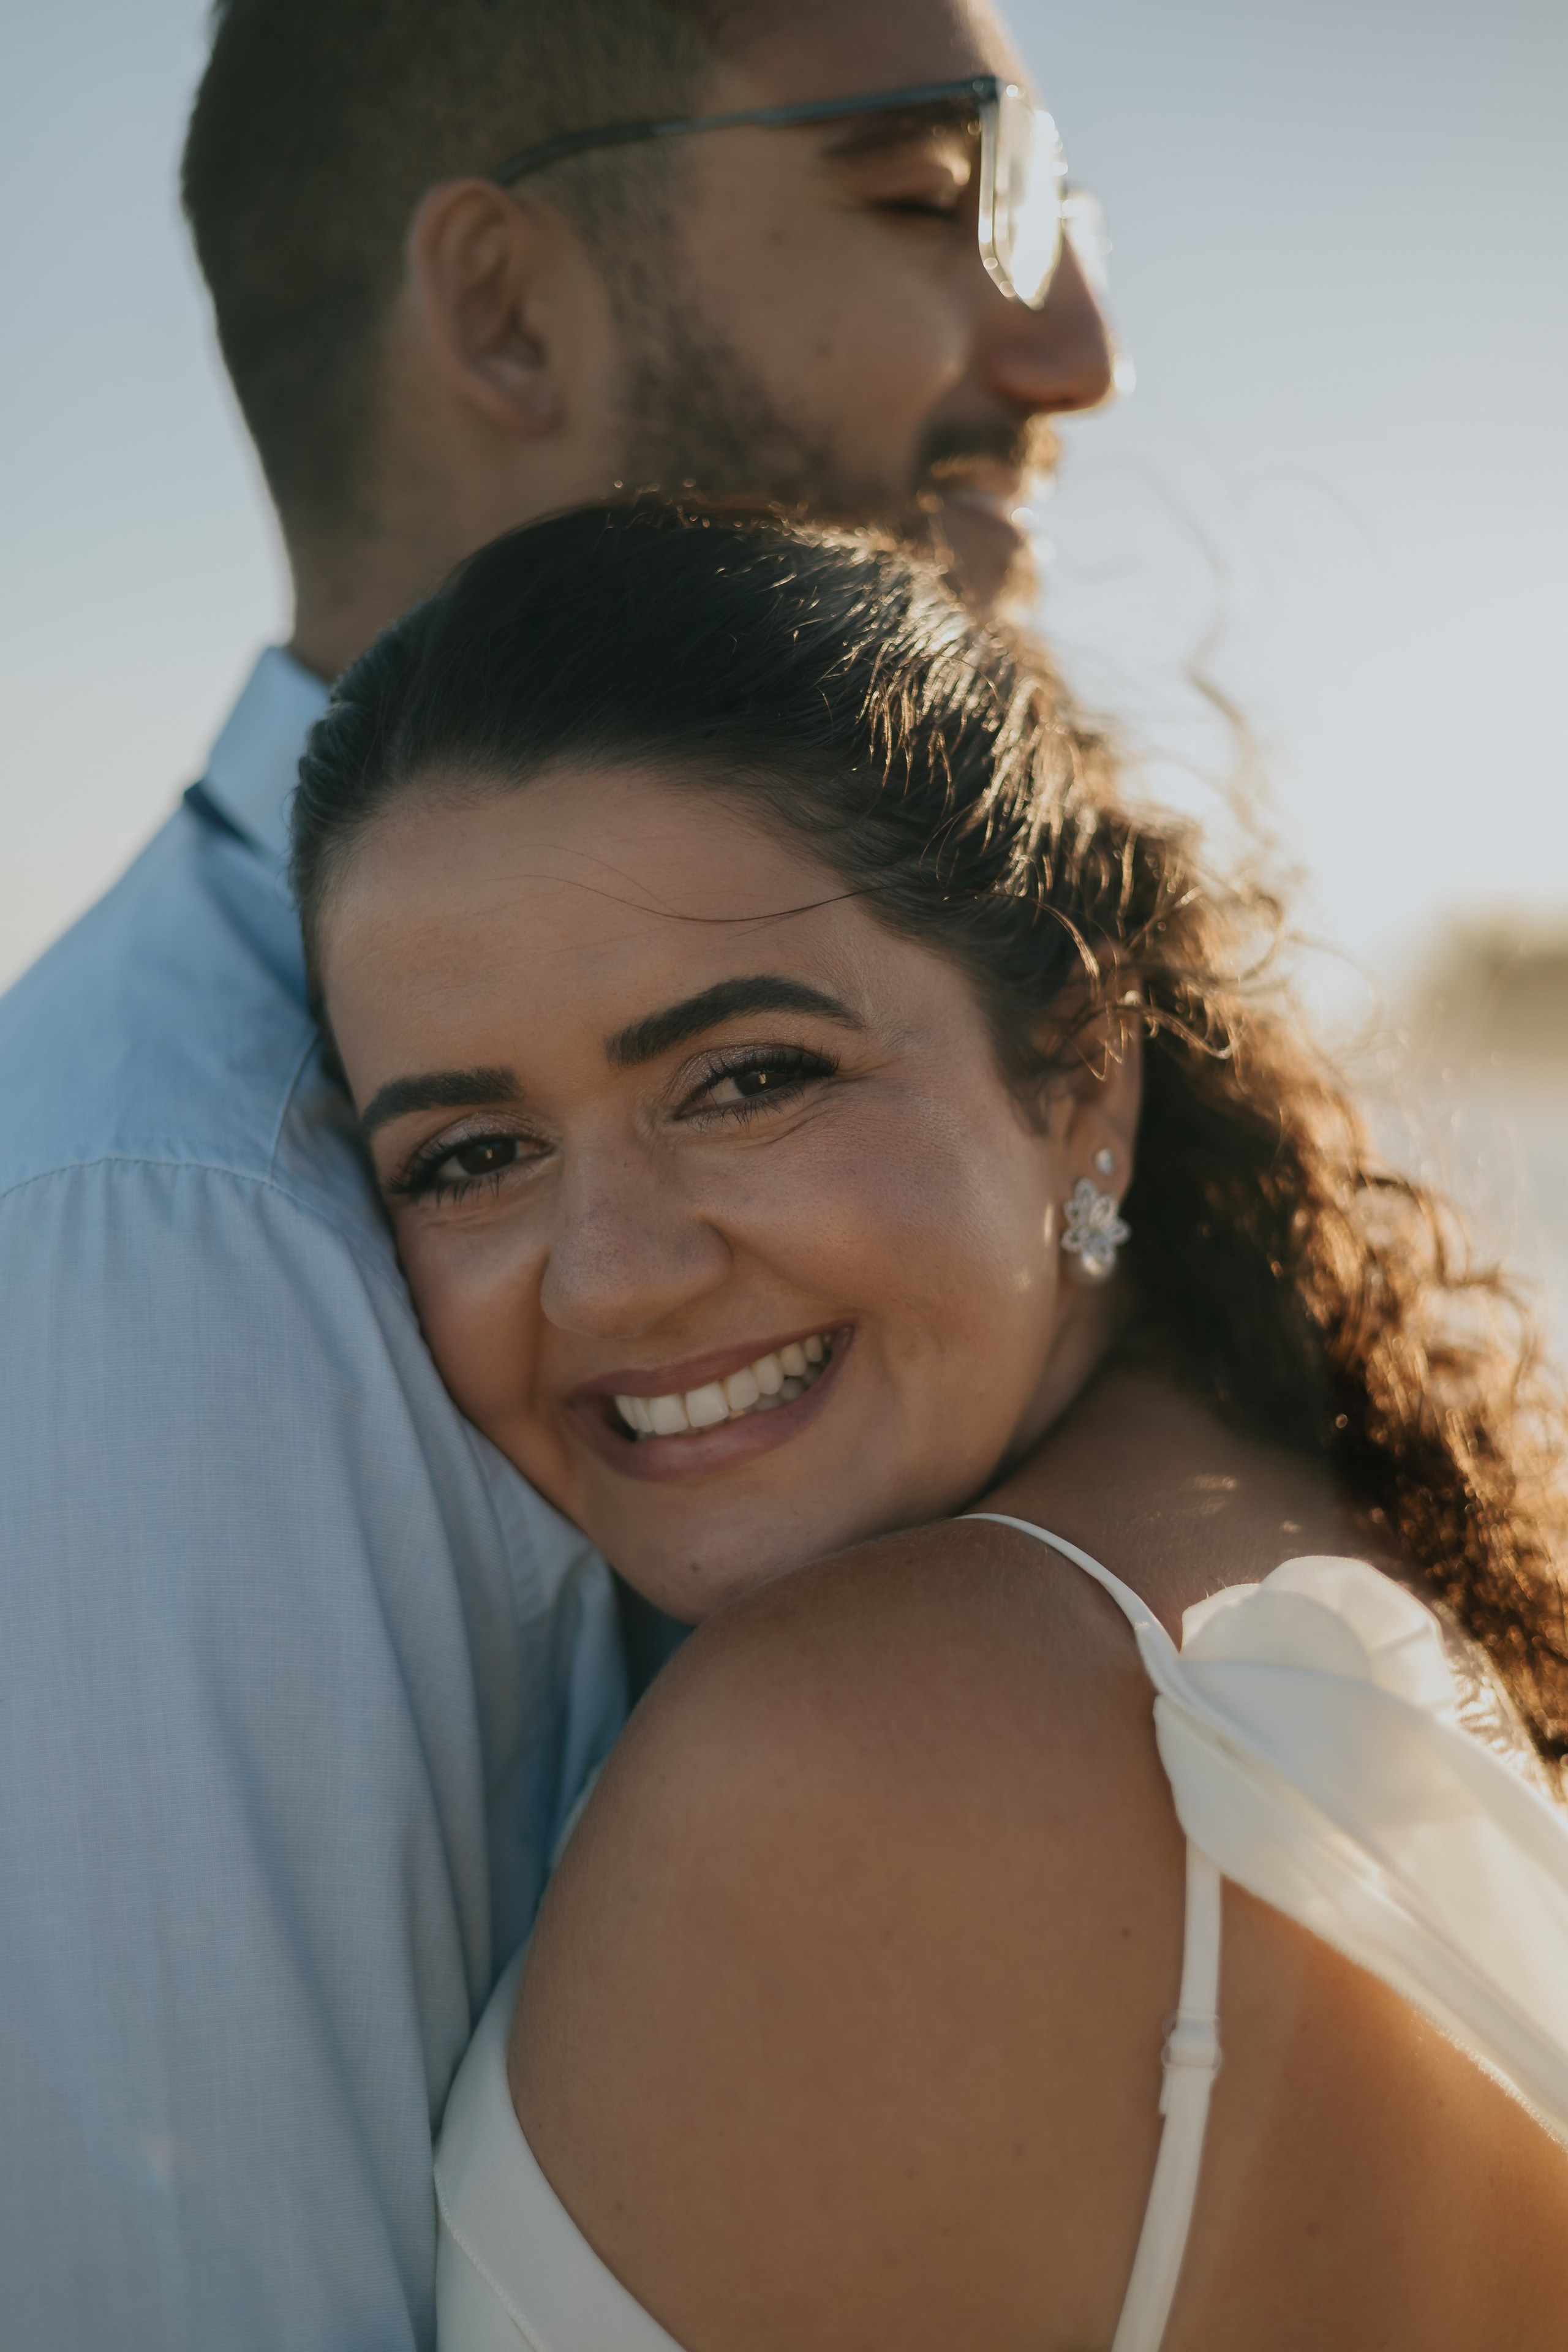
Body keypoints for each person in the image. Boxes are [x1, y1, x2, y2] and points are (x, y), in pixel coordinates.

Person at [0, 2, 1114, 2345]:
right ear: (508, 306)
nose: (1068, 340)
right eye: (937, 195)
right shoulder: (174, 1229)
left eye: (744, 1081)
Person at [289, 503, 1568, 2350]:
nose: (617, 1279)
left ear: (1078, 1075)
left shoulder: (836, 1756)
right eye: (473, 1156)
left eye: (747, 1080)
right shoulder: (1278, 1523)